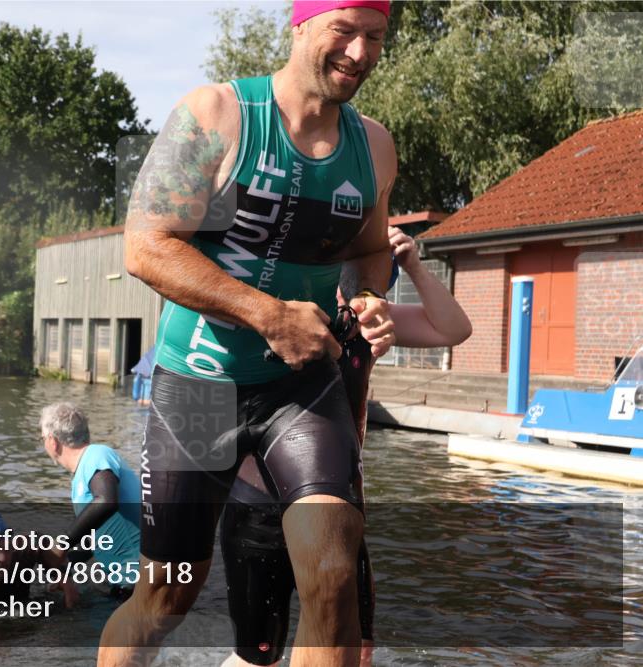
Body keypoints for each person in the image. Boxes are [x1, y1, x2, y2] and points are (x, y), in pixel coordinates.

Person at [100, 2, 397, 664]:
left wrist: (371, 296)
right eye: (343, 31)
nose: (358, 52)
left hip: (303, 386)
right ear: (299, 26)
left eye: (374, 37)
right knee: (166, 596)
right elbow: (147, 246)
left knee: (333, 574)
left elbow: (373, 250)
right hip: (200, 384)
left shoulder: (373, 144)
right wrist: (267, 313)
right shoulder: (219, 114)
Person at [219, 226, 472, 667]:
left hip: (337, 504)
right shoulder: (281, 312)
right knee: (255, 658)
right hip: (258, 509)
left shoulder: (369, 321)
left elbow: (454, 329)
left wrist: (412, 264)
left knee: (352, 650)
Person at [40, 403, 141, 601]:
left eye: (42, 438)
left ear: (52, 441)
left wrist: (61, 545)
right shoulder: (83, 473)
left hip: (138, 580)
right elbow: (97, 536)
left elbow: (106, 502)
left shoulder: (97, 454)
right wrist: (66, 566)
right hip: (123, 582)